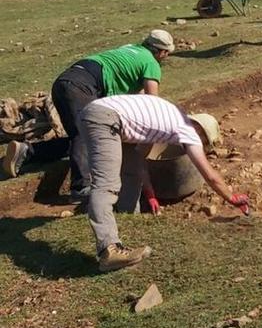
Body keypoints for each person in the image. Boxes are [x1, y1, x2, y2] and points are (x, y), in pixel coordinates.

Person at [77, 94, 249, 272]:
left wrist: (150, 194)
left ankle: (128, 216)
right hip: (105, 118)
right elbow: (210, 175)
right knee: (106, 185)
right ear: (201, 131)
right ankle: (108, 250)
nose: (202, 145)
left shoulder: (166, 120)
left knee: (131, 169)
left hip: (104, 114)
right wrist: (232, 198)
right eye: (205, 142)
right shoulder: (188, 130)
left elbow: (140, 162)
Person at [2, 30, 175, 203]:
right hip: (82, 86)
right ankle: (82, 187)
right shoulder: (151, 63)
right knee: (85, 133)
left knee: (82, 137)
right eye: (167, 54)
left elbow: (134, 95)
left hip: (66, 81)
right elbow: (153, 102)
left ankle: (26, 153)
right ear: (162, 52)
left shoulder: (130, 49)